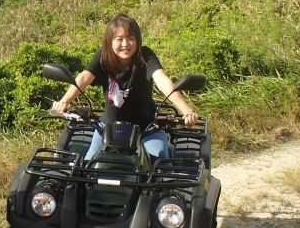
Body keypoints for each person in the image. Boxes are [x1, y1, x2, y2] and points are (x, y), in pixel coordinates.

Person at [52, 13, 200, 162]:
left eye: (130, 38)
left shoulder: (145, 56)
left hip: (147, 129)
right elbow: (84, 77)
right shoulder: (103, 57)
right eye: (119, 39)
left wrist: (186, 110)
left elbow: (162, 80)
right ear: (110, 41)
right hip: (107, 128)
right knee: (88, 165)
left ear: (137, 39)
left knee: (159, 160)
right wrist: (65, 100)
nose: (125, 44)